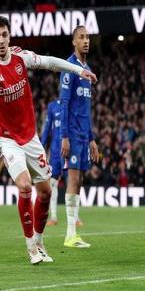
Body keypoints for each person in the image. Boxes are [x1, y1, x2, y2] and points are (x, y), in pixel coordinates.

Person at [0, 17, 97, 264]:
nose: (1, 40)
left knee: (45, 192)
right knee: (25, 186)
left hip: (30, 138)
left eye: (4, 35)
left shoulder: (20, 57)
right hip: (8, 140)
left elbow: (49, 62)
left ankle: (39, 241)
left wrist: (78, 70)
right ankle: (31, 248)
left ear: (9, 36)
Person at [60, 26, 99, 248]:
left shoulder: (88, 70)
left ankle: (73, 233)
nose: (86, 41)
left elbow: (86, 109)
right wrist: (64, 136)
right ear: (74, 42)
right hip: (72, 134)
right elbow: (64, 102)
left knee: (80, 181)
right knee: (73, 180)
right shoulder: (70, 67)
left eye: (88, 37)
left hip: (84, 135)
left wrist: (92, 139)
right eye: (81, 37)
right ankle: (70, 235)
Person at [40, 98, 64, 226]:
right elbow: (47, 128)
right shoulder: (52, 106)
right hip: (55, 152)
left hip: (69, 149)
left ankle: (75, 218)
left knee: (73, 181)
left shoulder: (73, 104)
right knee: (53, 183)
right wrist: (41, 146)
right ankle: (54, 217)